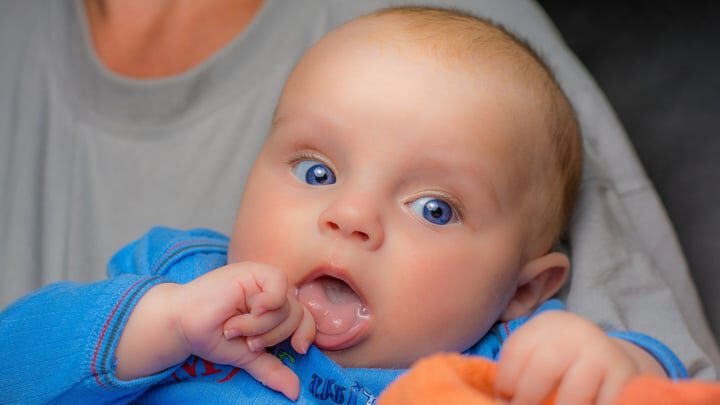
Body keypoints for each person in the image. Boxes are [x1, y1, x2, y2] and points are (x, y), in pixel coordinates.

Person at [0, 0, 717, 382]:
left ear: (525, 289)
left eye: (435, 208)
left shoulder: (507, 356)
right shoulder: (181, 281)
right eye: (316, 172)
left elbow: (667, 383)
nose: (349, 216)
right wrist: (150, 327)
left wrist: (611, 363)